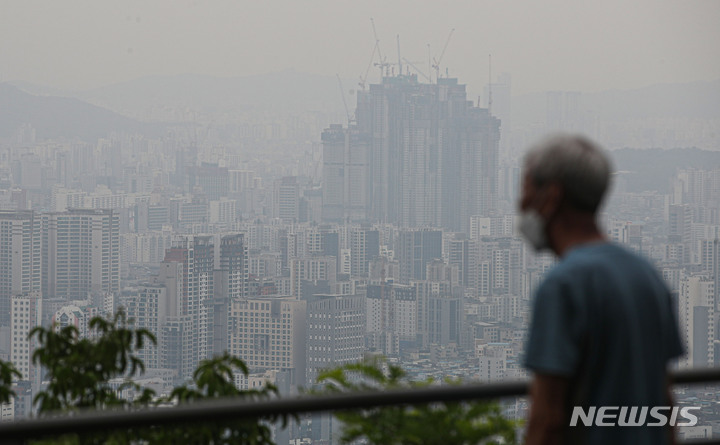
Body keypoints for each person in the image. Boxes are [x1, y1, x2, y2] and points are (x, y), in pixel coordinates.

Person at [519, 134, 683, 445]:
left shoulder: (563, 286)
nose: (521, 205)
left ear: (551, 196)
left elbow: (547, 420)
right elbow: (666, 404)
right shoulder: (646, 274)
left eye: (525, 191)